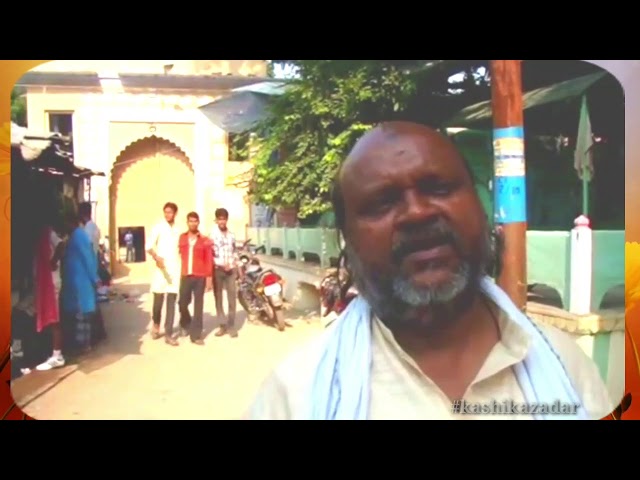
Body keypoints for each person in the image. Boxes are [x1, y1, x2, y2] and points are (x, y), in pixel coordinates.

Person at [246, 122, 613, 420]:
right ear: (348, 239)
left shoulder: (565, 367)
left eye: (438, 188)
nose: (417, 213)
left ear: (480, 207)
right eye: (382, 202)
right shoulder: (296, 396)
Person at [61, 210, 101, 355]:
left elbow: (88, 258)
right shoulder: (74, 236)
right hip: (75, 281)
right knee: (79, 314)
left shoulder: (79, 236)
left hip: (81, 281)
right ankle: (82, 344)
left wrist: (94, 278)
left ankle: (85, 345)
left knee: (82, 314)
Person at [146, 202, 181, 345]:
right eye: (166, 212)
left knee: (172, 300)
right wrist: (156, 257)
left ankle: (169, 334)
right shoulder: (159, 227)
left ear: (175, 213)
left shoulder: (178, 229)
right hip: (162, 268)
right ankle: (156, 324)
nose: (168, 214)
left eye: (170, 212)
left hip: (174, 268)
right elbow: (148, 246)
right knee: (158, 300)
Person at [34, 219, 66, 371]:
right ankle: (53, 353)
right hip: (45, 280)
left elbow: (61, 244)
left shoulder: (48, 232)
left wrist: (52, 261)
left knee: (54, 318)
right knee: (49, 316)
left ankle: (57, 355)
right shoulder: (40, 233)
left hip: (51, 280)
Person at [177, 212, 213, 345]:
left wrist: (209, 278)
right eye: (190, 221)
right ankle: (186, 322)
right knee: (182, 303)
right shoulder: (182, 238)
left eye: (195, 221)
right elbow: (177, 255)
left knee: (198, 306)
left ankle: (196, 335)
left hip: (199, 276)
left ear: (198, 222)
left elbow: (208, 259)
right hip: (186, 275)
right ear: (187, 222)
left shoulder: (204, 240)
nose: (193, 223)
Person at [210, 208, 242, 338]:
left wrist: (236, 266)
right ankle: (222, 325)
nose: (222, 221)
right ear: (216, 220)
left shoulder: (232, 235)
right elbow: (210, 254)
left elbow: (235, 252)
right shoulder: (212, 235)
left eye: (224, 219)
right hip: (218, 269)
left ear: (226, 220)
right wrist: (219, 264)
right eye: (220, 219)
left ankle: (231, 325)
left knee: (232, 297)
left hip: (230, 270)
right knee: (218, 298)